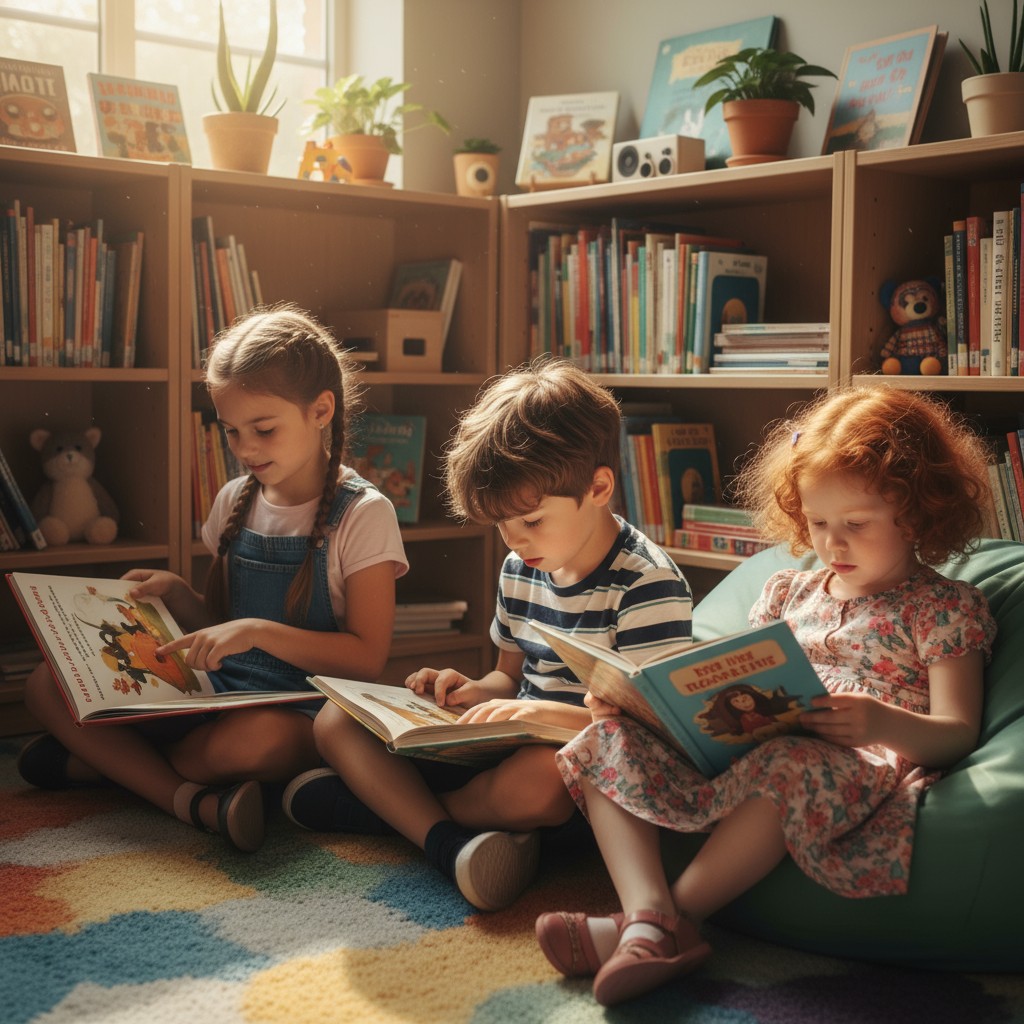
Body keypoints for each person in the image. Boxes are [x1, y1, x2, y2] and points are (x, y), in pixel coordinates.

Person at [536, 386, 998, 1006]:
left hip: (849, 764)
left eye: (855, 525)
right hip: (750, 741)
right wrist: (646, 704)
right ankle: (643, 912)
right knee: (604, 736)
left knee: (789, 764)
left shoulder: (945, 607)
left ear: (916, 512)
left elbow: (958, 729)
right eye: (817, 523)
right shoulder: (787, 590)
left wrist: (878, 722)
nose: (832, 545)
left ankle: (670, 925)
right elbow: (735, 676)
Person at [282, 358, 694, 910]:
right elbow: (508, 678)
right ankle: (450, 839)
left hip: (584, 771)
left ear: (598, 488)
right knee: (335, 721)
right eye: (499, 524)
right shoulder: (522, 566)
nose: (514, 540)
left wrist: (538, 716)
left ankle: (392, 813)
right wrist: (468, 690)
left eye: (531, 520)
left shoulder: (647, 584)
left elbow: (652, 737)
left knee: (540, 781)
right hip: (505, 744)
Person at [17, 305, 408, 853]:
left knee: (248, 745)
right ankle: (192, 798)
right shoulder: (235, 498)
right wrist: (179, 594)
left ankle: (111, 769)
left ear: (321, 410)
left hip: (302, 708)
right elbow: (220, 620)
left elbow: (368, 657)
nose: (246, 449)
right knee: (42, 683)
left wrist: (258, 633)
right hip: (216, 692)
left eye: (264, 429)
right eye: (230, 431)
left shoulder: (364, 513)